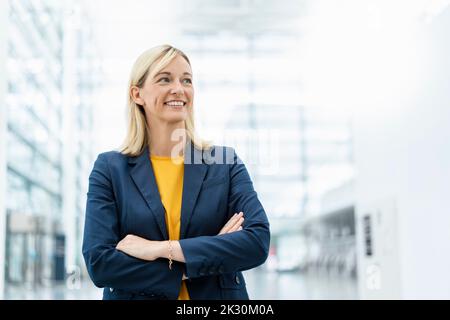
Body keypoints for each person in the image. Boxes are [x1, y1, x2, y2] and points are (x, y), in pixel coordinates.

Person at [82, 44, 270, 300]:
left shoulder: (223, 162)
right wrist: (196, 262)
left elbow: (256, 242)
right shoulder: (110, 169)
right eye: (164, 79)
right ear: (137, 94)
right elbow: (100, 263)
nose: (179, 89)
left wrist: (160, 249)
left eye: (187, 80)